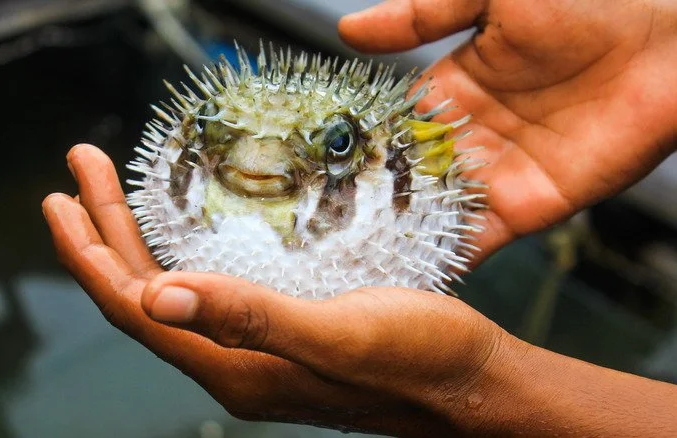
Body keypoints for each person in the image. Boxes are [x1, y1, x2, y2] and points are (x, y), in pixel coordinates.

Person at [42, 0, 677, 435]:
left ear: (402, 167)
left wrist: (479, 386)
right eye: (213, 137)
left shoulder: (421, 172)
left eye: (338, 148)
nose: (257, 165)